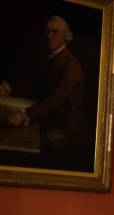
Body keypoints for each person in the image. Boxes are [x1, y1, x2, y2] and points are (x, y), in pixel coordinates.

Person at [1, 15, 89, 171]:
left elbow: (55, 100)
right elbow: (38, 86)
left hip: (65, 130)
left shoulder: (72, 66)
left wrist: (23, 116)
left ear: (65, 37)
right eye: (47, 32)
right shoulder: (53, 57)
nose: (49, 36)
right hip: (50, 119)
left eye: (54, 32)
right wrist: (11, 89)